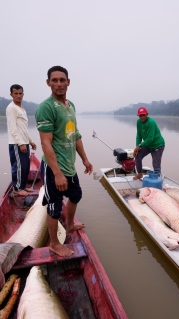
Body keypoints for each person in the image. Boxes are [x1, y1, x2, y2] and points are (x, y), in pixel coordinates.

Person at [35, 66, 93, 257]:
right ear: (48, 83)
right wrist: (57, 173)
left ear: (68, 82)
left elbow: (74, 134)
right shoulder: (47, 107)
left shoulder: (70, 106)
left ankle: (68, 227)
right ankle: (53, 243)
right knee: (54, 205)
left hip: (69, 166)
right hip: (54, 168)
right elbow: (45, 142)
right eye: (54, 80)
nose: (59, 84)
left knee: (76, 195)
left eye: (62, 80)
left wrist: (85, 159)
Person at [6, 84, 37, 196]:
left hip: (24, 143)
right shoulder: (12, 108)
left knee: (25, 166)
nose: (19, 96)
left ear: (23, 94)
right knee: (18, 166)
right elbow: (12, 129)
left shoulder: (21, 108)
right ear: (11, 95)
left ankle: (23, 186)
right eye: (16, 93)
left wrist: (30, 142)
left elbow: (24, 129)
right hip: (16, 143)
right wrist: (20, 144)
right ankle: (17, 188)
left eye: (20, 93)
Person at [133, 107, 165, 180]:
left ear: (147, 114)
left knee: (155, 163)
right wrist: (137, 146)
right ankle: (140, 174)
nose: (142, 117)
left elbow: (150, 139)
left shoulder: (151, 122)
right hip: (148, 144)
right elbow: (139, 135)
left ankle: (157, 179)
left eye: (143, 115)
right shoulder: (138, 122)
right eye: (140, 115)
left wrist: (140, 145)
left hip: (158, 145)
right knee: (137, 155)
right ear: (138, 116)